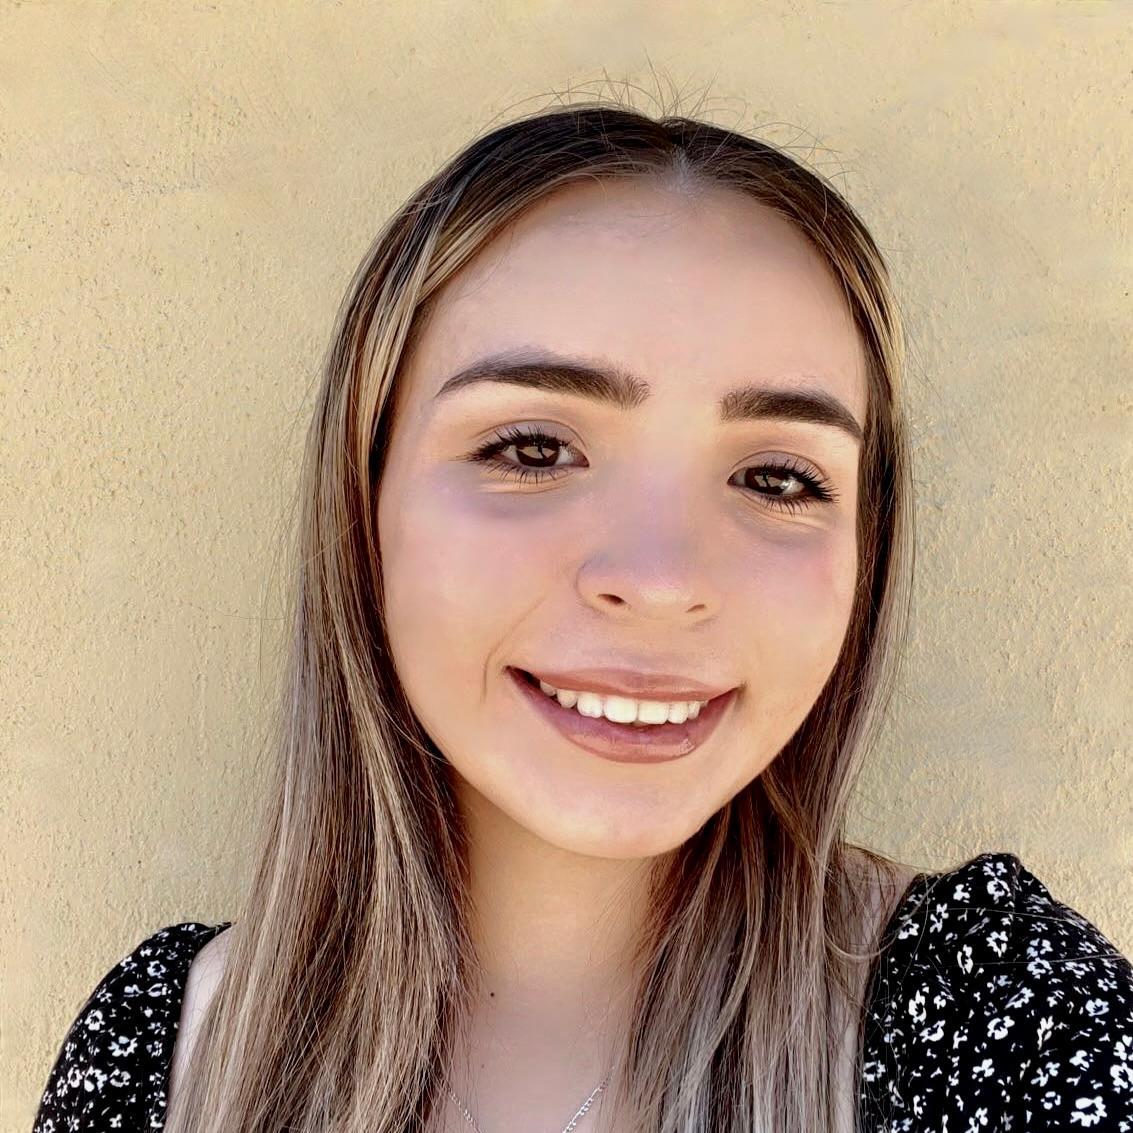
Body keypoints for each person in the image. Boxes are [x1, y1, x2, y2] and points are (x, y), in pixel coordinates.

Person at [32, 101, 1133, 1133]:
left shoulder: (1012, 1021)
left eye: (776, 477)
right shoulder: (165, 1051)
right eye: (532, 449)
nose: (657, 579)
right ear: (363, 506)